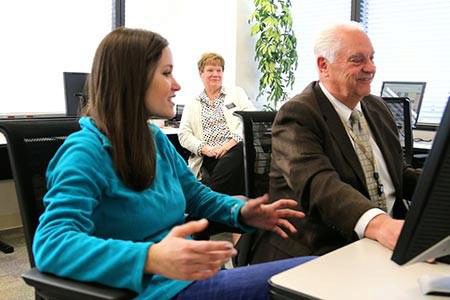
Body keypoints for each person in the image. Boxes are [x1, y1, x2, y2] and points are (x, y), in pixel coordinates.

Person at [32, 28, 313, 300]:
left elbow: (195, 194)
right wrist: (150, 257)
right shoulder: (84, 153)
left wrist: (240, 211)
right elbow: (52, 244)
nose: (177, 85)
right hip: (154, 291)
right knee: (309, 278)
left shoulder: (153, 138)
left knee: (316, 273)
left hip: (192, 280)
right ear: (132, 80)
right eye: (166, 73)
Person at [246, 22, 421, 264]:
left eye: (371, 58)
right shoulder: (298, 114)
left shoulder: (377, 108)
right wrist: (380, 225)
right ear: (323, 65)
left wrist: (438, 187)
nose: (370, 68)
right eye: (357, 60)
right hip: (322, 246)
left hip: (387, 239)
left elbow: (396, 175)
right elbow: (321, 186)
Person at [178, 52, 255, 196]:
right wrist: (204, 148)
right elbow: (184, 134)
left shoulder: (236, 94)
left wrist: (230, 143)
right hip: (209, 156)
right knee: (233, 175)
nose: (216, 74)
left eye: (219, 70)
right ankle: (218, 201)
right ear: (201, 73)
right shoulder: (193, 103)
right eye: (210, 70)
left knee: (241, 151)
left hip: (235, 149)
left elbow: (250, 118)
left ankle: (209, 196)